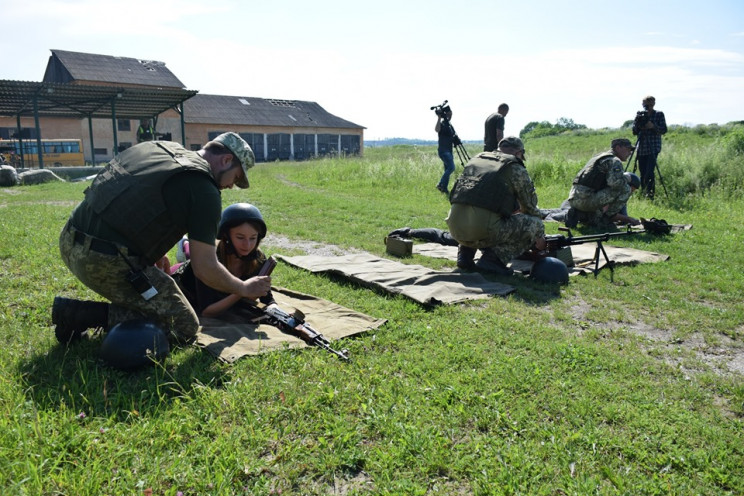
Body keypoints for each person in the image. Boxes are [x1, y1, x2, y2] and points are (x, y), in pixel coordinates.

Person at [53, 132, 271, 345]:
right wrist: (243, 288)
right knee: (183, 325)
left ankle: (87, 313)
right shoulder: (204, 188)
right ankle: (80, 314)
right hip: (102, 261)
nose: (231, 185)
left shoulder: (159, 148)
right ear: (226, 160)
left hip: (69, 240)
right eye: (237, 177)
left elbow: (137, 199)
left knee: (156, 300)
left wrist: (156, 253)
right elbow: (205, 268)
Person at [446, 136, 546, 275]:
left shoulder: (478, 159)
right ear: (519, 153)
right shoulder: (514, 167)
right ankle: (492, 260)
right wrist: (539, 234)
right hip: (483, 231)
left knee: (476, 212)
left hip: (455, 228)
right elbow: (529, 206)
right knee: (535, 224)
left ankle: (465, 255)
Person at [174, 203, 276, 317]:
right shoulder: (208, 261)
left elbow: (268, 299)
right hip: (179, 277)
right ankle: (185, 244)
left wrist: (277, 311)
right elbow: (207, 311)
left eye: (253, 238)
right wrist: (243, 289)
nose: (247, 245)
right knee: (191, 256)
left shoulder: (258, 259)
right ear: (225, 236)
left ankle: (186, 244)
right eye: (240, 237)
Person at [563, 138, 641, 228]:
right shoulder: (615, 161)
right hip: (587, 199)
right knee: (625, 188)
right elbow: (615, 184)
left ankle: (579, 214)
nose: (630, 153)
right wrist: (627, 178)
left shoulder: (598, 157)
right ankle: (605, 219)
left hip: (574, 199)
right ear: (618, 148)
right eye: (628, 149)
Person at [632, 95, 667, 199]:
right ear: (643, 105)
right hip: (642, 147)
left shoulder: (659, 114)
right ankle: (644, 193)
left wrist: (653, 126)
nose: (648, 107)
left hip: (653, 147)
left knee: (649, 172)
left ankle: (650, 194)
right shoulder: (640, 115)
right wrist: (639, 125)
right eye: (646, 105)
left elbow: (664, 130)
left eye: (650, 104)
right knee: (642, 172)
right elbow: (634, 131)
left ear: (654, 104)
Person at [434, 106, 456, 194]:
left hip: (449, 150)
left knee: (447, 168)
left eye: (451, 114)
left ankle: (444, 188)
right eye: (449, 114)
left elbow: (453, 135)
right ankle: (440, 184)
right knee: (451, 167)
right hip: (444, 151)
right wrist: (439, 118)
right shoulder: (442, 124)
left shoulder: (449, 125)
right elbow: (437, 129)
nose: (450, 116)